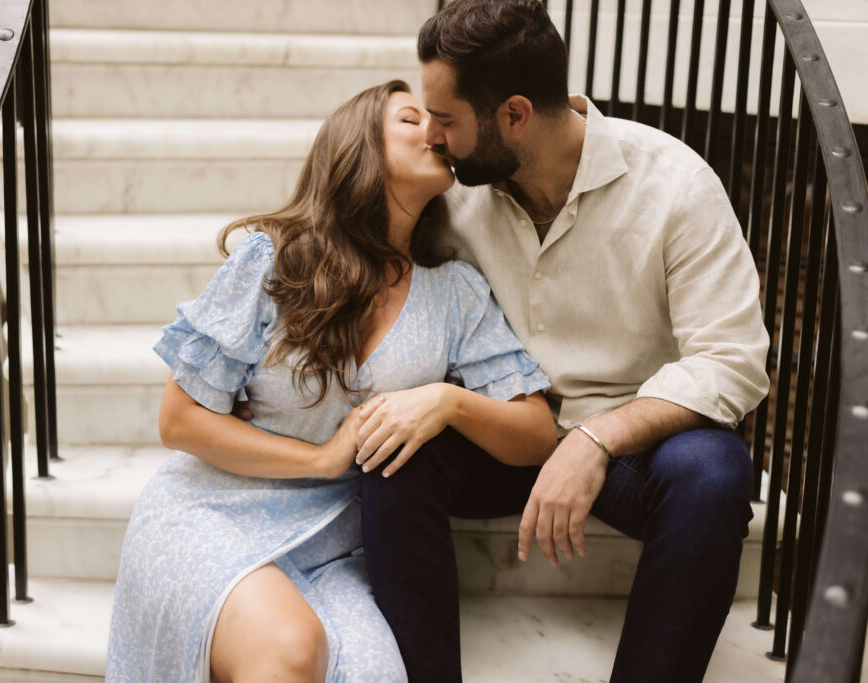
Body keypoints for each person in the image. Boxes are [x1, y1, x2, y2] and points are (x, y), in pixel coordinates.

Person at [359, 1, 772, 682]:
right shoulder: (454, 193)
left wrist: (595, 437)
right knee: (391, 450)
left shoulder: (675, 184)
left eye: (447, 119)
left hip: (638, 445)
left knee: (714, 472)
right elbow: (356, 252)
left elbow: (731, 359)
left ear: (514, 115)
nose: (432, 135)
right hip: (506, 428)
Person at [105, 80, 557, 682]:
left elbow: (536, 434)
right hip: (214, 516)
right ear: (360, 146)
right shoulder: (273, 259)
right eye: (411, 119)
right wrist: (321, 459)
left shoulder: (455, 293)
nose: (437, 132)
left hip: (338, 553)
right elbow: (179, 420)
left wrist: (447, 401)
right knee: (290, 649)